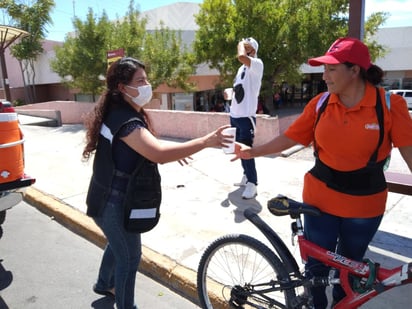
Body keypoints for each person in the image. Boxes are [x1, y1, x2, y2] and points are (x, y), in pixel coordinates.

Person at [231, 37, 412, 308]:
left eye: (331, 69)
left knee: (349, 272)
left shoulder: (389, 106)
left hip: (365, 206)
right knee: (316, 270)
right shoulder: (321, 103)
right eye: (323, 69)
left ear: (355, 71)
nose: (324, 76)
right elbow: (291, 138)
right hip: (320, 201)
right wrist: (251, 151)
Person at [82, 57, 229, 309]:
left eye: (146, 79)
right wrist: (205, 141)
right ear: (121, 87)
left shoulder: (117, 112)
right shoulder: (126, 121)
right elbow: (157, 153)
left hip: (104, 197)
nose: (147, 85)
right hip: (115, 204)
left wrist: (178, 151)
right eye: (140, 81)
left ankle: (104, 283)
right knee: (129, 257)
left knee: (117, 245)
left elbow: (148, 148)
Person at [226, 37, 264, 199]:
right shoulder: (241, 69)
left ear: (252, 50)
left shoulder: (257, 64)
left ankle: (253, 183)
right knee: (238, 149)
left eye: (246, 46)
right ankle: (246, 176)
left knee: (247, 150)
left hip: (246, 116)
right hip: (235, 115)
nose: (242, 48)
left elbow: (241, 56)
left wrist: (241, 45)